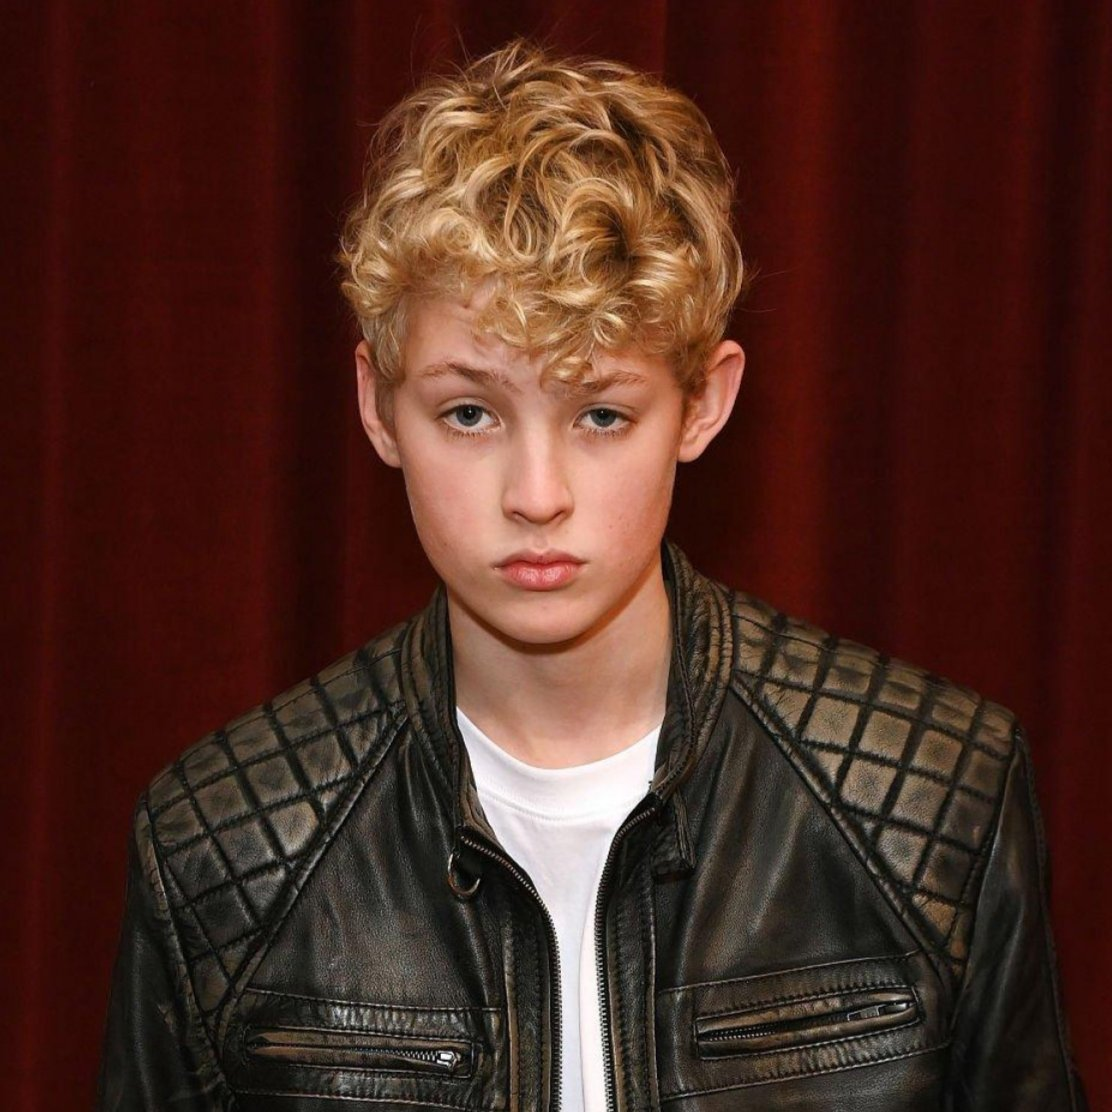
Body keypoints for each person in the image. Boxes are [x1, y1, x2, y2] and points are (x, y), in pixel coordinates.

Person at [98, 39, 1085, 1111]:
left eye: (601, 414)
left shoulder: (932, 795)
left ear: (703, 403)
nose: (536, 494)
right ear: (377, 406)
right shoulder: (226, 842)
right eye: (468, 412)